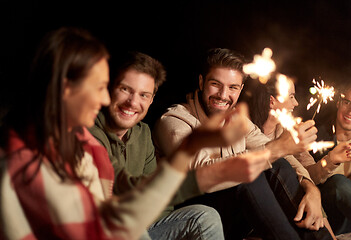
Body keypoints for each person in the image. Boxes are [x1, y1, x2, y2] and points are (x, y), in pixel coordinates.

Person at [0, 28, 260, 240]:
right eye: (104, 87)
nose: (104, 98)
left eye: (145, 95)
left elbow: (136, 198)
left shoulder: (88, 146)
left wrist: (193, 147)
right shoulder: (18, 167)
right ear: (65, 87)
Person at [153, 48, 332, 239]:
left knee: (276, 164)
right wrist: (276, 148)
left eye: (233, 87)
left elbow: (280, 155)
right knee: (248, 176)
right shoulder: (174, 121)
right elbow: (199, 173)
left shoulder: (237, 120)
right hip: (193, 219)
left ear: (240, 89)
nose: (223, 95)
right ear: (201, 82)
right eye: (215, 84)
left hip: (232, 218)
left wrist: (310, 187)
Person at [89, 51, 225, 240]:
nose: (133, 102)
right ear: (109, 89)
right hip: (104, 227)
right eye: (125, 89)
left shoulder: (143, 133)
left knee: (206, 216)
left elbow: (162, 201)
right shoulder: (90, 130)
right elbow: (117, 191)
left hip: (146, 225)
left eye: (144, 95)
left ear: (152, 99)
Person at [246, 76, 336, 239]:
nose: (296, 104)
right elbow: (282, 162)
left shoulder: (286, 131)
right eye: (291, 96)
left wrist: (313, 188)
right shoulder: (247, 130)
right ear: (272, 101)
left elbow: (301, 168)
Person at [298, 77, 351, 235]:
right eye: (347, 102)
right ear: (338, 102)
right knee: (338, 182)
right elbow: (305, 177)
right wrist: (331, 160)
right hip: (324, 214)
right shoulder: (315, 136)